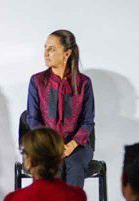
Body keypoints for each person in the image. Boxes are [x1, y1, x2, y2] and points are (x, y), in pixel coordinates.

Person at [27, 29, 95, 188]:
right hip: (46, 145)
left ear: (66, 54)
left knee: (75, 166)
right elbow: (32, 119)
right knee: (50, 167)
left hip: (76, 146)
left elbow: (88, 121)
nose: (45, 53)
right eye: (45, 48)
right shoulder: (37, 81)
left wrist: (72, 145)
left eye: (51, 49)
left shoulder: (84, 83)